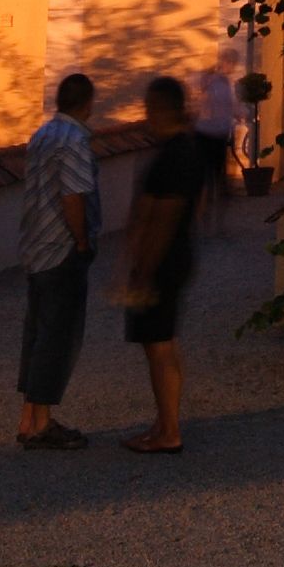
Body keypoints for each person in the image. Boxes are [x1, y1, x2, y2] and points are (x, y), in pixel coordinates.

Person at [119, 73, 220, 453]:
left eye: (149, 108)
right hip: (178, 255)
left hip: (162, 262)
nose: (146, 116)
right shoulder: (189, 150)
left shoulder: (171, 156)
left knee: (158, 346)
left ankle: (169, 432)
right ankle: (164, 422)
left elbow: (161, 218)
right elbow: (195, 207)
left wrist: (143, 270)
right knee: (165, 343)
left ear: (160, 109)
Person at [15, 72, 99, 450]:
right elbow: (74, 196)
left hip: (35, 245)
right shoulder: (76, 140)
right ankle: (42, 424)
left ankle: (28, 417)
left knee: (36, 332)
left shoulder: (42, 135)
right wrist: (81, 240)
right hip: (62, 247)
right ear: (88, 103)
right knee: (57, 336)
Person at [194, 53, 241, 230]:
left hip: (219, 136)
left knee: (219, 183)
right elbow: (202, 102)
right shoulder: (210, 81)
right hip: (206, 136)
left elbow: (229, 107)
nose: (232, 67)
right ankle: (205, 223)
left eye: (233, 64)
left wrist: (237, 114)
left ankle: (217, 225)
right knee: (207, 183)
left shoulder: (225, 83)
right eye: (231, 63)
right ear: (223, 62)